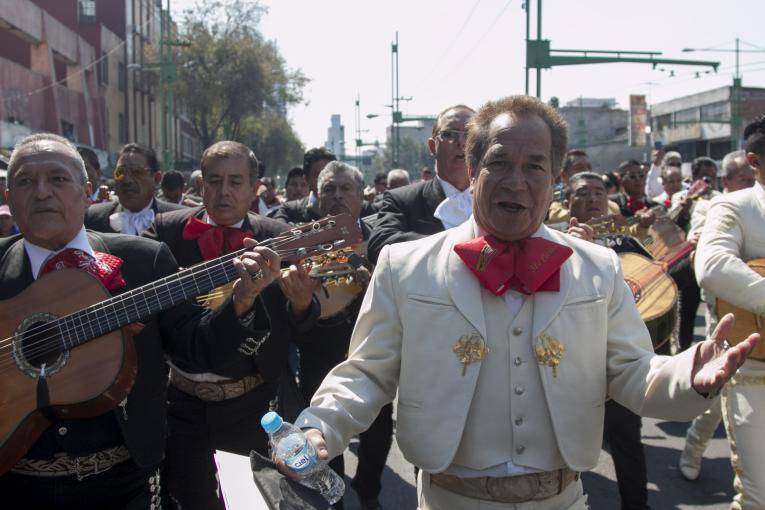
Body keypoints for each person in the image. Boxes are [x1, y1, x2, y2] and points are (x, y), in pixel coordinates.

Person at [291, 95, 756, 510]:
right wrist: (321, 426)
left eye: (534, 166)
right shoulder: (405, 265)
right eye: (499, 163)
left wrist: (687, 373)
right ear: (472, 172)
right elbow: (367, 373)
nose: (516, 181)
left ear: (555, 178)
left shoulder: (597, 267)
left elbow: (633, 371)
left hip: (564, 499)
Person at [0, 133, 281, 509]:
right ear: (8, 196)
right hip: (12, 483)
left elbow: (197, 348)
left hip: (122, 483)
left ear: (87, 192)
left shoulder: (142, 260)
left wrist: (242, 301)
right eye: (24, 181)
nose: (41, 192)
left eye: (57, 179)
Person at [142, 141, 318, 509]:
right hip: (181, 403)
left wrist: (302, 303)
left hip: (253, 405)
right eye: (214, 181)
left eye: (236, 182)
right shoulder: (165, 232)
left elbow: (301, 327)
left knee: (249, 501)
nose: (224, 192)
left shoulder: (280, 236)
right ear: (199, 185)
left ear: (255, 188)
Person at [295, 161, 391, 510]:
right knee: (320, 431)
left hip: (372, 353)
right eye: (328, 190)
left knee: (378, 432)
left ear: (362, 195)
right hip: (319, 353)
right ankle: (332, 499)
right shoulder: (299, 242)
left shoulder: (382, 240)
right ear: (317, 197)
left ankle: (369, 493)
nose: (336, 196)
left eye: (345, 189)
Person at [564, 172, 653, 510]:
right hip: (570, 364)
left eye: (599, 192)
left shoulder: (627, 242)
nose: (592, 199)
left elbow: (655, 284)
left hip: (617, 362)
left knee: (628, 440)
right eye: (582, 193)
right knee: (567, 442)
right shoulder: (554, 243)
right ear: (567, 202)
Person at [695, 116, 765, 509]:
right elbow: (713, 265)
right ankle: (691, 452)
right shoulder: (733, 206)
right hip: (754, 369)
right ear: (754, 161)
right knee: (758, 496)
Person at [678, 149, 756, 482]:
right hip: (724, 319)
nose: (755, 185)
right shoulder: (710, 208)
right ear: (726, 181)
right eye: (746, 180)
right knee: (716, 397)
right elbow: (705, 257)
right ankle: (693, 449)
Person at [367, 104, 475, 263]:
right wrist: (450, 246)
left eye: (470, 134)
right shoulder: (403, 200)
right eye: (449, 134)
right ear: (433, 147)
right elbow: (379, 245)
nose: (461, 142)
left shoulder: (496, 199)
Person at [85, 143, 185, 235]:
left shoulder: (179, 219)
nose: (127, 180)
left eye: (137, 172)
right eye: (120, 172)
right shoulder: (92, 218)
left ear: (156, 179)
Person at [269, 147, 336, 225]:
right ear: (307, 179)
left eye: (329, 173)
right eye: (317, 175)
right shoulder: (289, 211)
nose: (325, 180)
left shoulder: (348, 207)